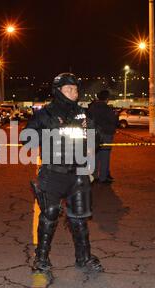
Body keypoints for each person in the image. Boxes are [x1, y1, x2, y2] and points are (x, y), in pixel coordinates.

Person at [25, 73, 104, 274]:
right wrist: (43, 138)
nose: (74, 93)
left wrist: (91, 149)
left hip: (78, 173)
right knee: (49, 215)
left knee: (79, 218)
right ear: (58, 91)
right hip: (53, 173)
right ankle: (41, 258)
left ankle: (84, 258)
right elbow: (27, 136)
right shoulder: (46, 113)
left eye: (76, 89)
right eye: (69, 89)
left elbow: (97, 138)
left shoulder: (84, 114)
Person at [88, 90, 118, 184]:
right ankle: (103, 178)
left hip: (94, 135)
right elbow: (113, 121)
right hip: (106, 134)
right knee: (105, 156)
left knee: (95, 156)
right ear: (107, 99)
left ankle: (94, 176)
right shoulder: (107, 109)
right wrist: (116, 116)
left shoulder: (92, 107)